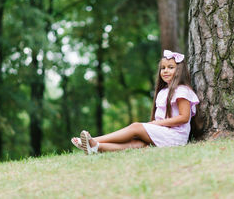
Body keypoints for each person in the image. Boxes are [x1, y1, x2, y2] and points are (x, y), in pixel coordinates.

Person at [71, 50, 199, 155]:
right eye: (163, 68)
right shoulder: (163, 92)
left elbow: (184, 117)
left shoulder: (182, 91)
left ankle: (92, 140)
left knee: (135, 127)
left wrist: (157, 123)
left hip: (175, 136)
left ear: (180, 71)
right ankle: (95, 146)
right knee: (137, 144)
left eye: (170, 68)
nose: (165, 71)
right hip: (164, 134)